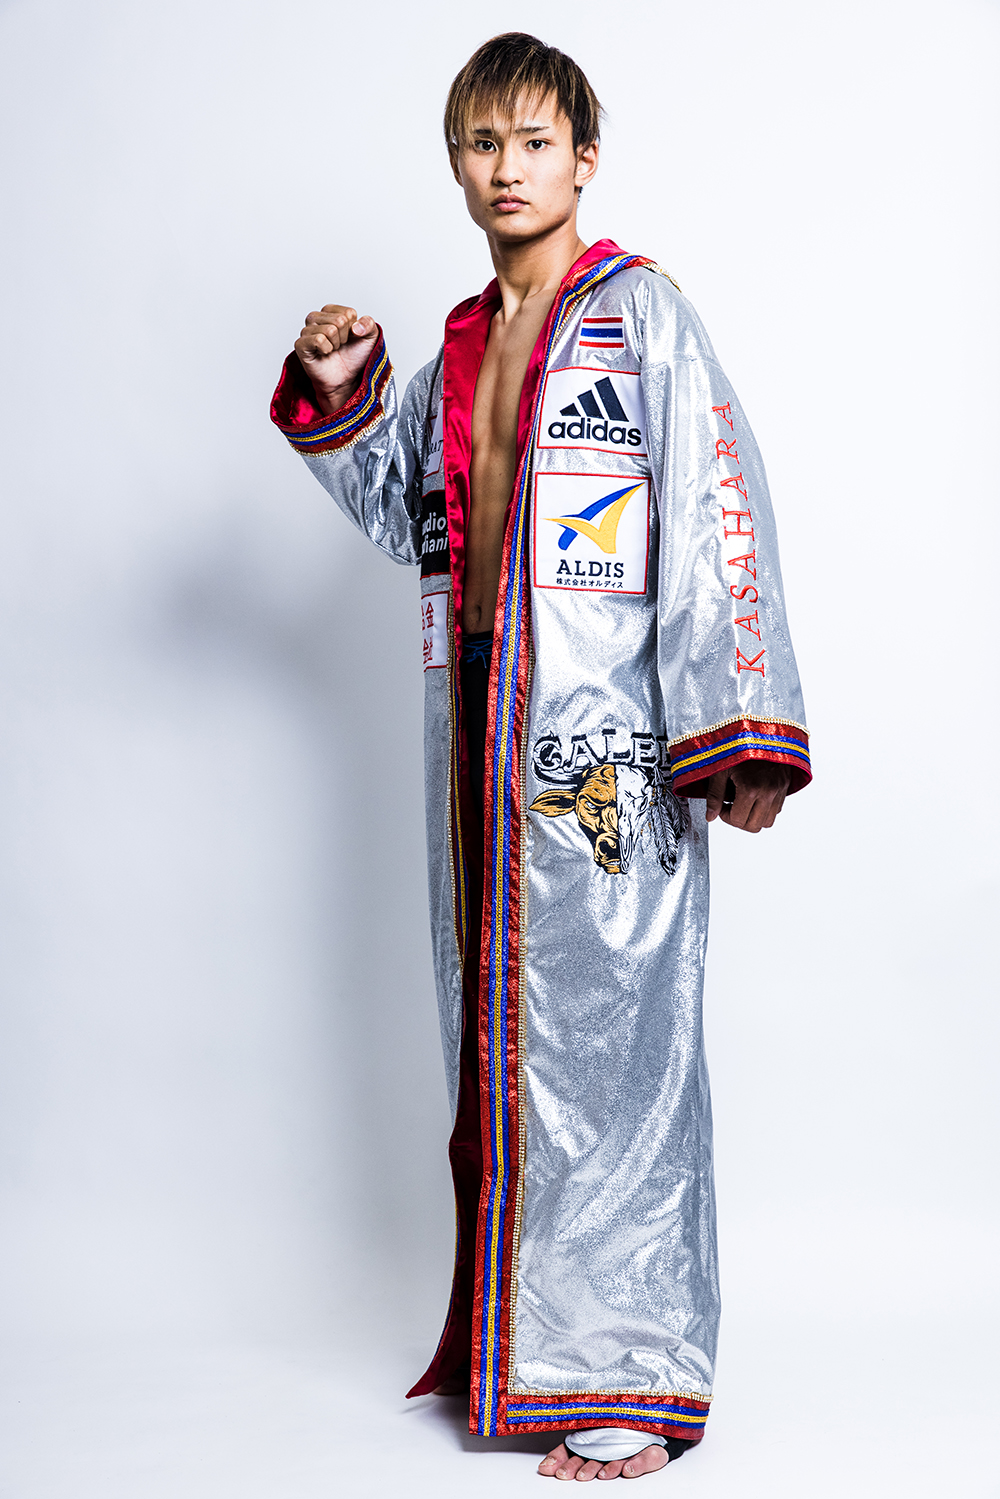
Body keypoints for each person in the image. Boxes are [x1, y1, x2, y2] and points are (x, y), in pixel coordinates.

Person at [270, 32, 810, 1482]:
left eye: (532, 141)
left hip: (611, 746)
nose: (506, 169)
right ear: (456, 165)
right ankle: (537, 1355)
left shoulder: (643, 321)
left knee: (619, 1055)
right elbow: (406, 512)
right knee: (509, 1051)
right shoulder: (459, 343)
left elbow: (717, 504)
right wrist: (345, 383)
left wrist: (739, 727)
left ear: (584, 157)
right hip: (477, 738)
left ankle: (633, 1375)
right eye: (480, 143)